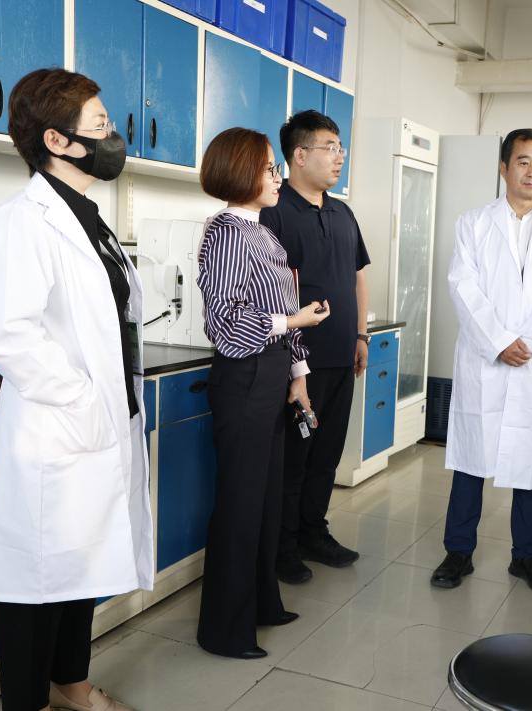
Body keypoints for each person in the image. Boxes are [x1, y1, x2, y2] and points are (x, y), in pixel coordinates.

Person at [0, 68, 149, 711]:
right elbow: (9, 336)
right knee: (37, 578)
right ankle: (29, 701)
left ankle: (71, 683)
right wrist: (82, 399)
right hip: (60, 426)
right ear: (57, 139)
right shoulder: (24, 221)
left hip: (104, 418)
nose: (114, 136)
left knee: (82, 565)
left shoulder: (89, 218)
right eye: (100, 126)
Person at [431, 128, 532, 594]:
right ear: (504, 168)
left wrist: (529, 342)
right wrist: (499, 342)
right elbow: (463, 287)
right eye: (523, 161)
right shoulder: (474, 224)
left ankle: (527, 557)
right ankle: (458, 552)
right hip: (486, 359)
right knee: (471, 458)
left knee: (531, 461)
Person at [195, 127, 330, 659]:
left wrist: (298, 375)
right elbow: (226, 324)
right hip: (245, 377)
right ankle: (224, 630)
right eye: (269, 168)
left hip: (272, 375)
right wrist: (293, 321)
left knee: (267, 498)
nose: (278, 177)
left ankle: (261, 604)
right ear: (240, 172)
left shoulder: (264, 234)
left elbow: (282, 314)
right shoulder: (227, 232)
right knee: (241, 503)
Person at [259, 110, 371, 584]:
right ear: (299, 155)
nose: (339, 157)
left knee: (326, 455)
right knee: (294, 459)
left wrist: (360, 335)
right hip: (298, 364)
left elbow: (358, 276)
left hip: (342, 357)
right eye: (330, 148)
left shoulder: (343, 212)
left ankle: (313, 532)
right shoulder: (273, 211)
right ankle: (282, 546)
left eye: (340, 148)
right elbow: (269, 291)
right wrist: (293, 369)